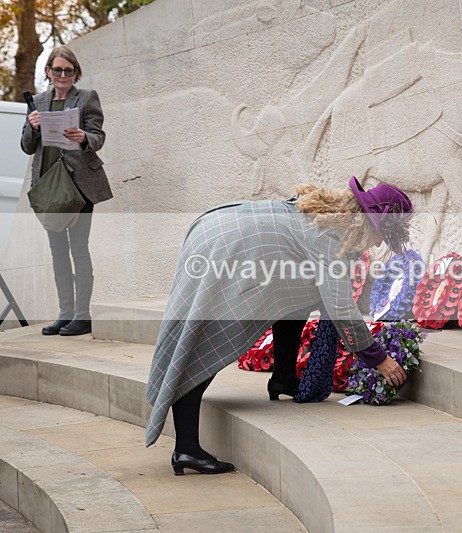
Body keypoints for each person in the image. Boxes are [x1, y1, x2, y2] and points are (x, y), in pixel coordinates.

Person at [146, 176, 413, 475]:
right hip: (225, 250)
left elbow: (318, 292)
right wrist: (379, 359)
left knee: (301, 293)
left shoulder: (324, 215)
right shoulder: (329, 237)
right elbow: (340, 307)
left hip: (216, 229)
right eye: (380, 234)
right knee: (204, 346)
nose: (378, 243)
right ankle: (187, 449)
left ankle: (284, 376)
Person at [20, 46, 112, 336]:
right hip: (49, 187)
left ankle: (83, 316)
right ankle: (65, 314)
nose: (62, 75)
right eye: (57, 70)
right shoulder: (37, 101)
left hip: (79, 186)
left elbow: (98, 136)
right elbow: (27, 146)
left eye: (68, 70)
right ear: (48, 71)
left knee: (79, 250)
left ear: (75, 73)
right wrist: (33, 128)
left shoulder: (86, 98)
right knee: (57, 253)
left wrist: (85, 137)